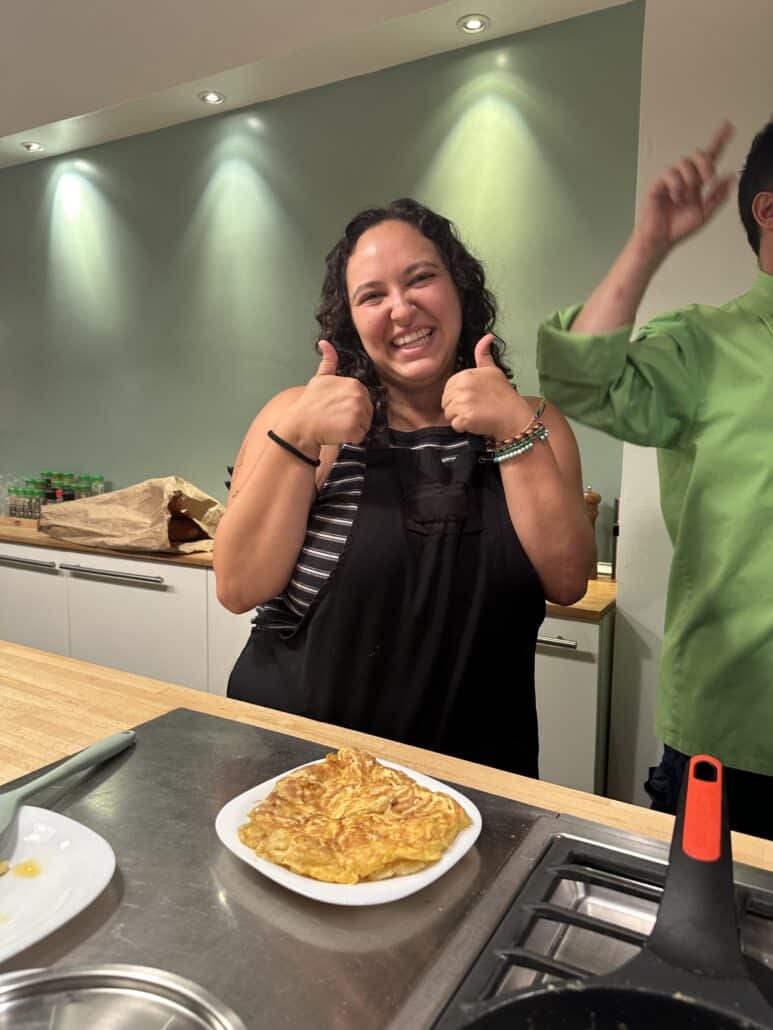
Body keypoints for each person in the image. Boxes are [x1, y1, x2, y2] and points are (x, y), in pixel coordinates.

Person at [214, 198, 594, 776]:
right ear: (350, 320)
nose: (401, 308)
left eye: (421, 279)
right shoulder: (297, 416)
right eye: (373, 295)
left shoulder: (535, 421)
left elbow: (568, 582)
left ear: (459, 291)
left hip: (478, 786)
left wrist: (515, 428)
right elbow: (238, 586)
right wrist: (296, 436)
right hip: (300, 777)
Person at [537, 120, 773, 838]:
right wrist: (649, 245)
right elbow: (578, 379)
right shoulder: (705, 343)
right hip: (738, 739)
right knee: (710, 945)